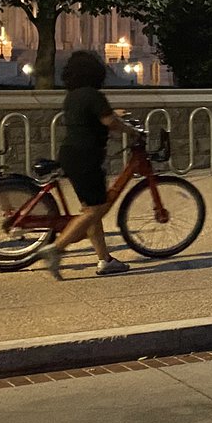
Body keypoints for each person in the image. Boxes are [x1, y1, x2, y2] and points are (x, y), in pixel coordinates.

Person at [39, 51, 142, 278]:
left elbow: (92, 115)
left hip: (71, 154)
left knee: (90, 209)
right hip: (87, 156)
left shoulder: (73, 96)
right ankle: (56, 249)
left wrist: (113, 113)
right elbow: (109, 121)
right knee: (95, 210)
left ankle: (105, 260)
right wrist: (130, 130)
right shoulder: (94, 95)